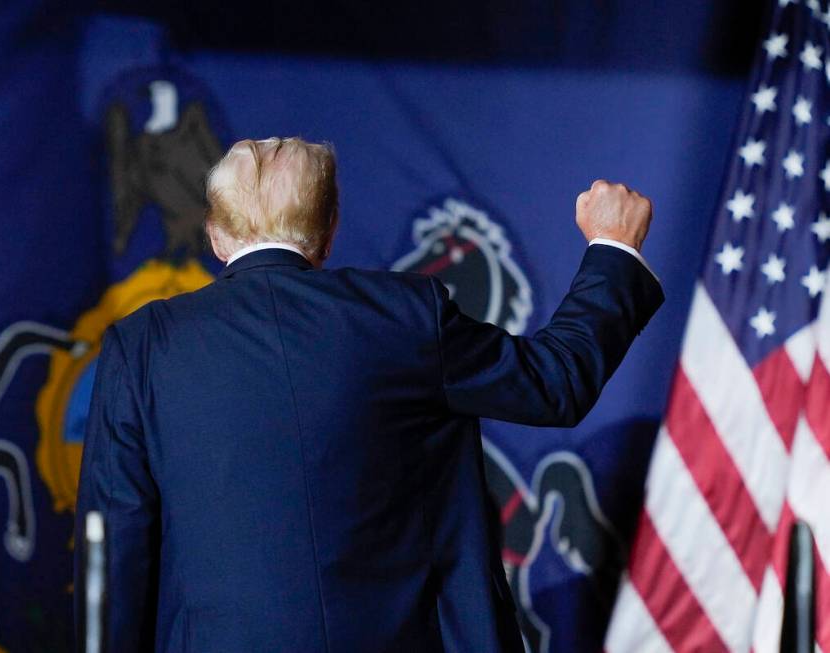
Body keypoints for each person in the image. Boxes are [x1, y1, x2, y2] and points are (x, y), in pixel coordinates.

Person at [74, 137, 663, 652]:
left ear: (216, 236)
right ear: (328, 231)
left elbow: (115, 548)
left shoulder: (142, 348)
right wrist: (612, 247)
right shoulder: (405, 315)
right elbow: (555, 383)